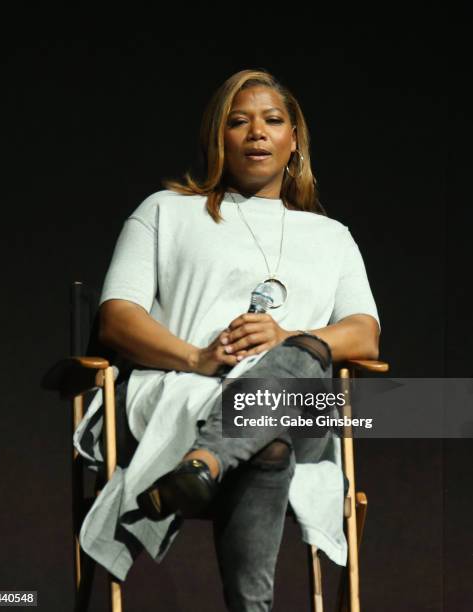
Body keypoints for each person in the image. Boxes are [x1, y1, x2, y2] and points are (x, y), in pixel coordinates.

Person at [73, 68, 381, 611]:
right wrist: (197, 356)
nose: (257, 132)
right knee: (269, 445)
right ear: (220, 138)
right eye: (239, 122)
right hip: (184, 392)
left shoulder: (332, 237)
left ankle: (204, 465)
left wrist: (289, 337)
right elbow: (117, 318)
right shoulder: (166, 211)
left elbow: (364, 334)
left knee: (309, 354)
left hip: (295, 405)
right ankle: (215, 469)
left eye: (272, 120)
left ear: (294, 140)